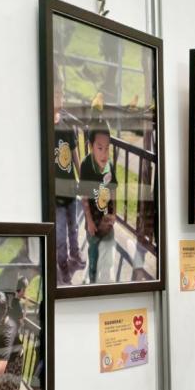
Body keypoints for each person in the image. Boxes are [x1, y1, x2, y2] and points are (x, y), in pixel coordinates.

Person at [52, 81, 85, 282]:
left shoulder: (66, 125)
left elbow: (75, 156)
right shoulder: (46, 127)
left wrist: (82, 179)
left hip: (70, 190)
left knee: (74, 227)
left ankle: (75, 253)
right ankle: (63, 265)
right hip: (55, 194)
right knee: (60, 233)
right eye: (57, 94)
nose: (60, 97)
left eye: (61, 94)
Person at [79, 121, 117, 284]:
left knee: (108, 259)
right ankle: (92, 281)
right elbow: (84, 196)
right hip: (93, 225)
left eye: (107, 148)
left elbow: (113, 190)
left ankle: (105, 283)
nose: (104, 154)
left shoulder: (110, 166)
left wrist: (114, 214)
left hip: (107, 223)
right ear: (91, 146)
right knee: (93, 256)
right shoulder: (86, 165)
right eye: (100, 148)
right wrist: (89, 221)